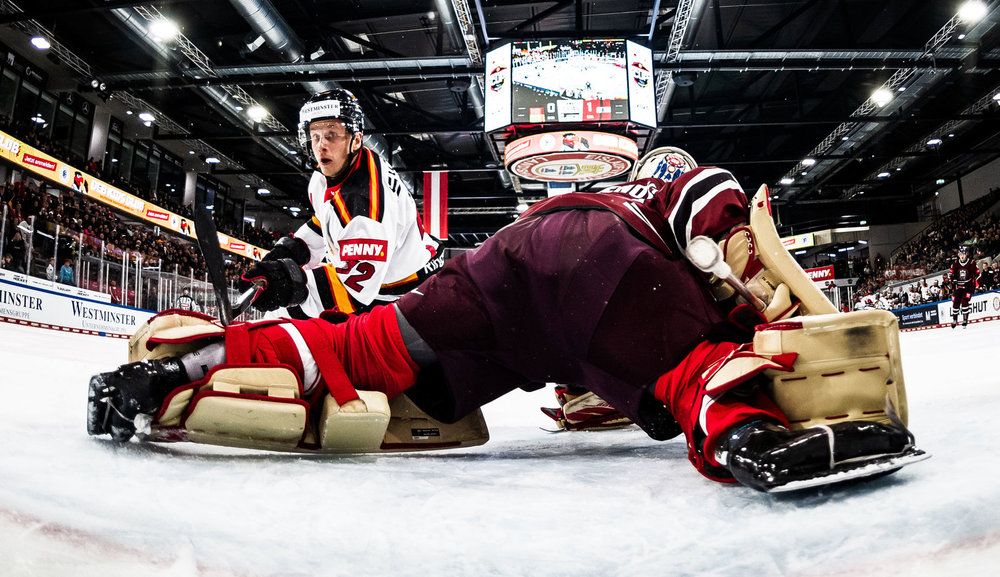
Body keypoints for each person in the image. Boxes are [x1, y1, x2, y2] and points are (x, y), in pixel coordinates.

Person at [87, 149, 922, 493]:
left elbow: (596, 381)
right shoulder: (666, 190)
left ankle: (177, 366)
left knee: (367, 345)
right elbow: (708, 198)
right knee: (690, 369)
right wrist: (750, 257)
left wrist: (597, 397)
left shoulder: (602, 201)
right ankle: (750, 441)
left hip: (514, 270)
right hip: (608, 274)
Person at [240, 88, 443, 320]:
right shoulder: (330, 175)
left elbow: (352, 292)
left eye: (332, 135)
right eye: (315, 135)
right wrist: (290, 251)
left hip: (407, 294)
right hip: (382, 273)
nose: (320, 146)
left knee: (286, 325)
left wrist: (286, 287)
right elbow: (326, 220)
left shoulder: (366, 209)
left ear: (356, 139)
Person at [949, 245, 980, 328]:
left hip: (968, 287)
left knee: (964, 302)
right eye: (960, 254)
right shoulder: (955, 264)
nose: (962, 256)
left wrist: (978, 285)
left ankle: (965, 319)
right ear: (958, 255)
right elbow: (951, 274)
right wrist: (953, 280)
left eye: (964, 254)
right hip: (958, 287)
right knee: (955, 303)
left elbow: (978, 274)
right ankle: (955, 320)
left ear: (966, 255)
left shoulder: (972, 263)